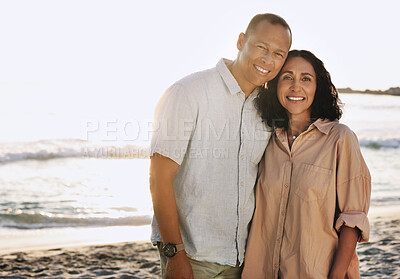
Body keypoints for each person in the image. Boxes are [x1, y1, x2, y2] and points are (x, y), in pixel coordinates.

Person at [149, 13, 292, 278]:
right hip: (193, 257)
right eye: (261, 47)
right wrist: (175, 253)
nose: (268, 60)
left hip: (244, 261)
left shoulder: (269, 108)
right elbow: (159, 176)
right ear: (241, 41)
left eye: (278, 54)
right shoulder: (189, 92)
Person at [241, 50, 371, 279]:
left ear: (317, 87)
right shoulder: (265, 140)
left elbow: (352, 219)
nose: (295, 86)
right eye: (287, 77)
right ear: (275, 84)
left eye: (305, 79)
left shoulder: (340, 138)